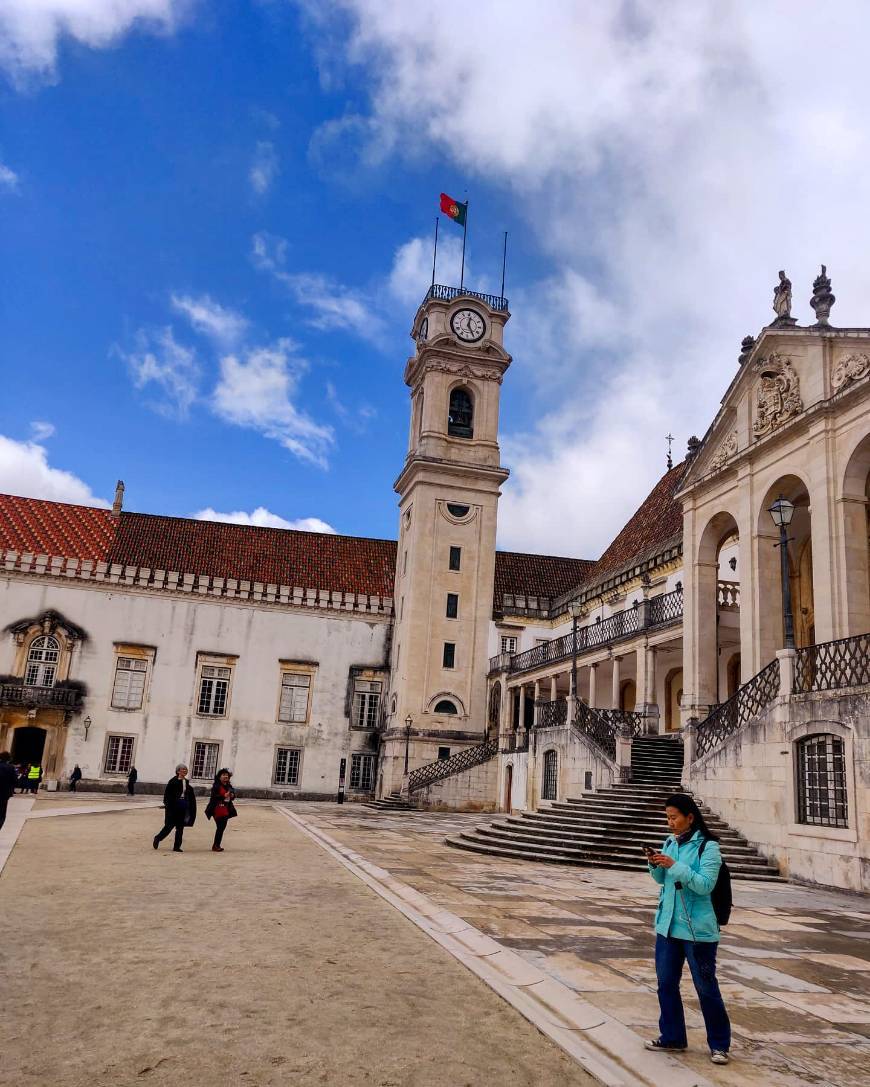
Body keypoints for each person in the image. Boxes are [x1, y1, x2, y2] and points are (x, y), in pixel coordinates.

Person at [645, 793, 731, 1066]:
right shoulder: (669, 842)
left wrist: (674, 865)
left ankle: (719, 1044)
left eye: (674, 817)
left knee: (706, 988)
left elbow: (705, 884)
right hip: (668, 926)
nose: (670, 823)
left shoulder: (709, 847)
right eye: (667, 817)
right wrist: (654, 863)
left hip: (698, 932)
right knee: (666, 984)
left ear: (690, 818)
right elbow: (662, 881)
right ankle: (672, 1035)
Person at [152, 764, 196, 853]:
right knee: (169, 826)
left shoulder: (186, 782)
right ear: (178, 771)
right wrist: (168, 805)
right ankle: (158, 838)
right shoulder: (173, 782)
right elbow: (167, 795)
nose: (185, 771)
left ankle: (177, 846)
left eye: (186, 769)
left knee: (180, 828)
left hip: (182, 807)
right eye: (183, 769)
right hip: (173, 808)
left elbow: (189, 794)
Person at [205, 768, 237, 852]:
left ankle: (216, 845)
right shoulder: (216, 786)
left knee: (221, 827)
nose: (225, 776)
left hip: (225, 808)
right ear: (219, 777)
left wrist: (232, 795)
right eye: (223, 775)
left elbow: (233, 797)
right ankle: (216, 845)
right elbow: (214, 797)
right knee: (220, 827)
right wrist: (223, 796)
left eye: (227, 775)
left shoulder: (229, 786)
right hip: (217, 809)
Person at [0, 751, 18, 832]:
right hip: (4, 795)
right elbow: (15, 781)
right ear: (8, 759)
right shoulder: (10, 767)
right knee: (1, 815)